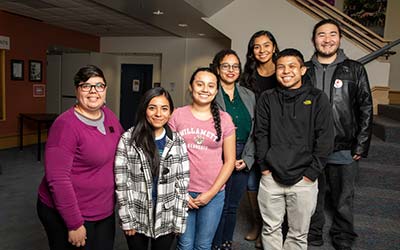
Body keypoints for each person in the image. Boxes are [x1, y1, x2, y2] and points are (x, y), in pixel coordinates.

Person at [37, 65, 124, 250]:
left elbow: (125, 146)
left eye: (99, 85)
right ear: (77, 90)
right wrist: (74, 223)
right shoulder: (65, 125)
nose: (93, 91)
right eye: (86, 86)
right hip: (71, 212)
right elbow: (58, 179)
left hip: (102, 209)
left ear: (105, 90)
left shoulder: (109, 116)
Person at [255, 48, 334, 250]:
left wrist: (311, 173)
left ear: (302, 70)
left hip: (304, 179)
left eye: (292, 66)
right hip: (271, 176)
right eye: (281, 67)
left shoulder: (318, 98)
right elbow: (261, 134)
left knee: (298, 235)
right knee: (270, 228)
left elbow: (325, 139)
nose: (286, 71)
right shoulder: (267, 97)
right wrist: (264, 167)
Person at [306, 19, 373, 250]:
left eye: (332, 34)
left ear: (340, 38)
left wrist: (361, 145)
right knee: (312, 197)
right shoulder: (303, 70)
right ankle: (313, 234)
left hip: (343, 146)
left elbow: (365, 108)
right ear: (313, 39)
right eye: (321, 34)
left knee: (343, 198)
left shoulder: (355, 69)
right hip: (311, 147)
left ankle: (343, 236)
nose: (327, 39)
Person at [114, 87, 190, 250]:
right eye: (152, 107)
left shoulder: (177, 142)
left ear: (170, 112)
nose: (158, 114)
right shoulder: (128, 139)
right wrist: (127, 219)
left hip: (166, 216)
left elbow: (182, 184)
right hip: (137, 214)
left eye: (164, 109)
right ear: (144, 110)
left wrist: (179, 220)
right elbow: (122, 183)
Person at [169, 67, 236, 250]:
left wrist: (211, 193)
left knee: (203, 245)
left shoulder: (225, 119)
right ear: (191, 87)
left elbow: (230, 161)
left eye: (210, 85)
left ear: (216, 90)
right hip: (182, 191)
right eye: (200, 84)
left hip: (213, 193)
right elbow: (168, 159)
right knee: (185, 244)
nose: (205, 89)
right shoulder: (176, 115)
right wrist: (180, 192)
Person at [211, 49, 256, 250]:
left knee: (232, 206)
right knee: (216, 204)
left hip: (243, 155)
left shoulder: (249, 95)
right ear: (217, 69)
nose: (231, 70)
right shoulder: (210, 91)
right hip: (218, 156)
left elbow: (257, 131)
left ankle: (226, 242)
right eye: (226, 66)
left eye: (235, 66)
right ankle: (214, 243)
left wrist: (247, 158)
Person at [240, 30, 280, 248]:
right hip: (254, 136)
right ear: (252, 51)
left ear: (274, 47)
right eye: (257, 46)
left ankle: (271, 228)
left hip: (279, 137)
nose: (262, 50)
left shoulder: (283, 71)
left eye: (266, 45)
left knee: (275, 183)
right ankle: (258, 225)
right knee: (252, 183)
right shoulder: (248, 76)